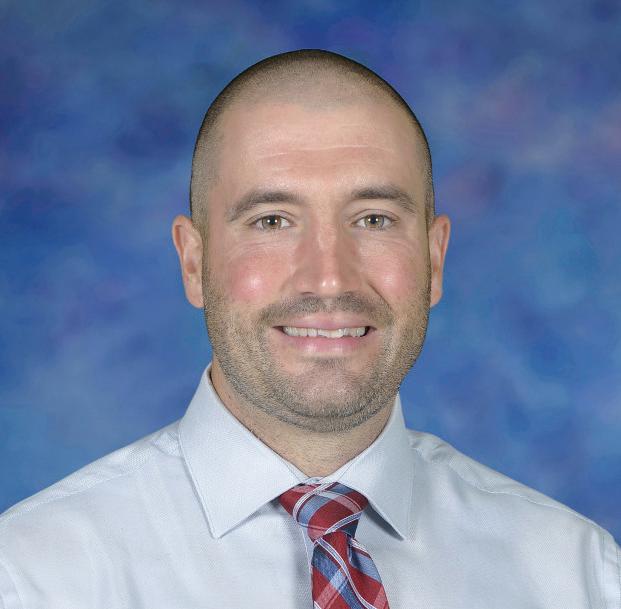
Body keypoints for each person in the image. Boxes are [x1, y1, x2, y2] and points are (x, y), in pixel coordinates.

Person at [0, 49, 618, 609]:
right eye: (272, 221)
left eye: (373, 219)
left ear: (434, 260)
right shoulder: (33, 577)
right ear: (193, 262)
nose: (328, 278)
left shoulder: (579, 575)